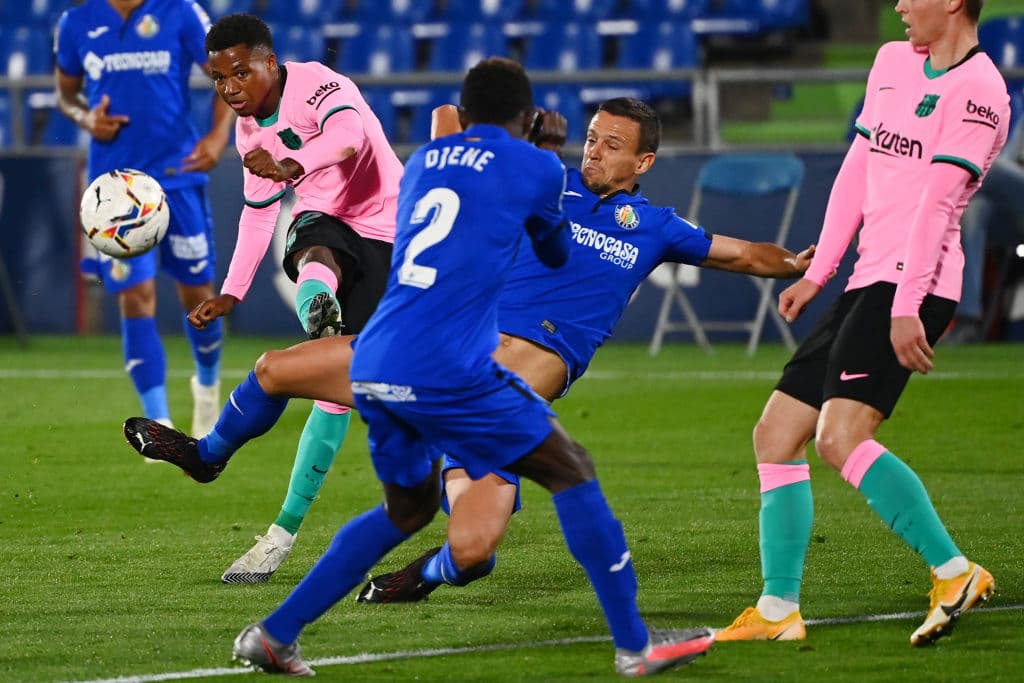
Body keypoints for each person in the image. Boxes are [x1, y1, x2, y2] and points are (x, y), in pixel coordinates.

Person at [128, 58, 716, 677]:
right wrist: (543, 156)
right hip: (454, 365)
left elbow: (447, 128)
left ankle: (274, 633)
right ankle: (635, 646)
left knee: (405, 510)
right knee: (571, 471)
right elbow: (555, 251)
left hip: (383, 354)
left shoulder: (428, 161)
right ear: (525, 116)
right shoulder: (536, 168)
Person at [715, 0, 1007, 647]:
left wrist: (906, 305)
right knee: (775, 434)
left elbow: (937, 206)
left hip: (916, 284)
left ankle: (955, 571)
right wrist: (820, 272)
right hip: (868, 279)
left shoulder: (980, 90)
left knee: (840, 437)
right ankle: (777, 609)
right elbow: (857, 169)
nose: (898, 4)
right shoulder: (891, 62)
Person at [189, 13, 402, 583]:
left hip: (393, 232)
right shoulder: (248, 132)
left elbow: (349, 136)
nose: (229, 87)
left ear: (270, 62)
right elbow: (259, 215)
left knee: (341, 399)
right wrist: (231, 292)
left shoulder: (318, 83)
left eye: (240, 72)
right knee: (310, 236)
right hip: (329, 221)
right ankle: (319, 314)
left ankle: (284, 530)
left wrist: (291, 163)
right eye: (218, 78)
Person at [55, 0, 234, 438]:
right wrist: (86, 117)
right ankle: (160, 423)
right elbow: (66, 95)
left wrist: (218, 135)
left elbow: (228, 73)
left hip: (178, 177)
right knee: (135, 296)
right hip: (115, 190)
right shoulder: (76, 22)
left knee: (199, 297)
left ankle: (207, 387)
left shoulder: (181, 11)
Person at [947, 112, 1024, 342]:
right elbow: (1010, 157)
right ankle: (967, 320)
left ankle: (937, 204)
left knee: (986, 166)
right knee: (974, 212)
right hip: (1015, 213)